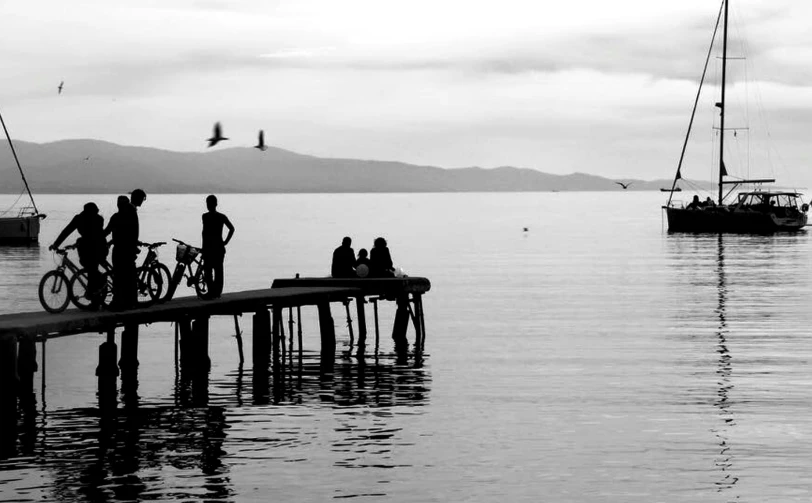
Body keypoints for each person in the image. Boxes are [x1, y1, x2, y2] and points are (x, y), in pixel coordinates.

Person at [50, 202, 107, 308]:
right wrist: (57, 244)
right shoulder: (91, 218)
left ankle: (95, 300)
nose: (95, 214)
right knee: (91, 270)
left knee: (92, 270)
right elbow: (67, 231)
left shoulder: (94, 219)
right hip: (90, 247)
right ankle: (96, 291)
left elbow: (94, 236)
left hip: (97, 248)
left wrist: (78, 241)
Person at [104, 189, 146, 309]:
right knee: (129, 277)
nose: (142, 201)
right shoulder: (131, 212)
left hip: (119, 250)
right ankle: (130, 302)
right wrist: (134, 246)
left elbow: (112, 232)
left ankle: (119, 302)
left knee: (119, 277)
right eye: (142, 199)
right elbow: (131, 233)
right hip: (126, 250)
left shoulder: (116, 216)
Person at [201, 194, 235, 298]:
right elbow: (232, 229)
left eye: (209, 203)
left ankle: (213, 292)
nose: (208, 205)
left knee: (210, 271)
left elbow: (204, 234)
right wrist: (225, 242)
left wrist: (225, 242)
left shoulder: (206, 217)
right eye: (208, 203)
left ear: (214, 204)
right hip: (217, 248)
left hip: (212, 248)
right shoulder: (220, 217)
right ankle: (215, 293)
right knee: (216, 271)